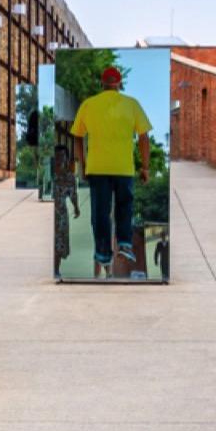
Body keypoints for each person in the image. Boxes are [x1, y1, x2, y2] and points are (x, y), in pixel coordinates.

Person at [70, 66, 152, 279]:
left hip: (97, 168)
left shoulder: (89, 104)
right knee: (125, 205)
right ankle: (124, 244)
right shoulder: (131, 104)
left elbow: (77, 137)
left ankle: (103, 254)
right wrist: (145, 167)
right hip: (123, 168)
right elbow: (144, 138)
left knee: (100, 213)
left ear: (102, 82)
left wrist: (83, 164)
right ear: (119, 83)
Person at [51, 144, 81, 278]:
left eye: (62, 156)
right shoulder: (49, 174)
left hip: (60, 215)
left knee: (58, 244)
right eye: (57, 156)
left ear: (66, 158)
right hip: (46, 213)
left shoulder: (69, 177)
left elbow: (73, 195)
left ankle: (56, 270)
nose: (59, 159)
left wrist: (76, 208)